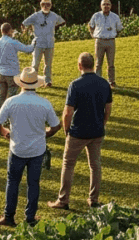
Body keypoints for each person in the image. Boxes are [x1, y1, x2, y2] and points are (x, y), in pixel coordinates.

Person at [0, 67, 61, 227]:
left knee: (13, 182)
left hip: (17, 148)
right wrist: (44, 135)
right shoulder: (44, 103)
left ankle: (9, 216)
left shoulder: (12, 102)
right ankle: (30, 218)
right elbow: (56, 127)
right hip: (37, 150)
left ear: (21, 84)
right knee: (33, 183)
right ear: (36, 84)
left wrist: (5, 133)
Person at [48, 52, 112, 211]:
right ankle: (94, 199)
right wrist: (102, 123)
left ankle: (63, 200)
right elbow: (108, 108)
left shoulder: (75, 85)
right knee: (95, 165)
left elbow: (68, 112)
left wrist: (66, 129)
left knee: (68, 165)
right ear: (94, 65)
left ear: (79, 66)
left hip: (78, 132)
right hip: (97, 131)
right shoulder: (104, 83)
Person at [0, 22, 34, 117]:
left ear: (1, 31)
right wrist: (34, 41)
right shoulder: (13, 42)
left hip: (1, 74)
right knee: (11, 97)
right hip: (12, 74)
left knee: (0, 97)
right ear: (10, 31)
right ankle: (7, 118)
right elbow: (28, 49)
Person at [23, 0, 65, 87]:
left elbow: (62, 22)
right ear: (40, 5)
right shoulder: (36, 15)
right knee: (35, 64)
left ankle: (48, 81)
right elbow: (24, 23)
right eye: (43, 4)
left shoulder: (54, 16)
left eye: (48, 4)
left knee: (48, 64)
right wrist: (30, 31)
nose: (45, 6)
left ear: (51, 6)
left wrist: (53, 27)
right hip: (38, 43)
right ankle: (33, 81)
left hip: (50, 43)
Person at [88, 0, 123, 86]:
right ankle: (97, 81)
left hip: (111, 41)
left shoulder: (115, 17)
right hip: (99, 41)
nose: (106, 6)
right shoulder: (96, 15)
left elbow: (119, 28)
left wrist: (113, 34)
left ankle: (111, 81)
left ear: (110, 6)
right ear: (101, 6)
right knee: (98, 63)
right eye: (104, 4)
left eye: (108, 4)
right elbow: (90, 25)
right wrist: (92, 34)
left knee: (111, 63)